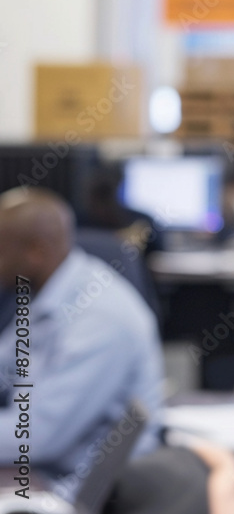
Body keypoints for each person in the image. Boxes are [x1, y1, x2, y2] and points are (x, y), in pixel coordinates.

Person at [0, 187, 164, 501]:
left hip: (75, 487)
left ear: (35, 251)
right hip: (45, 468)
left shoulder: (98, 318)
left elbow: (34, 437)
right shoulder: (48, 293)